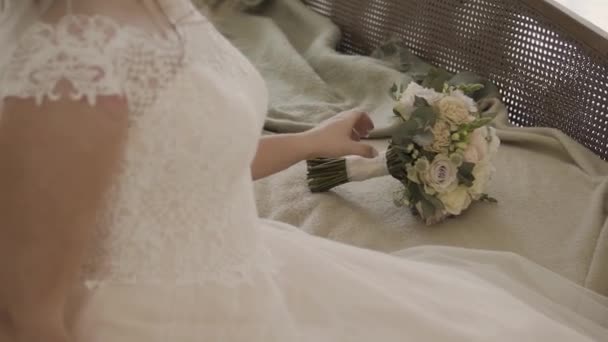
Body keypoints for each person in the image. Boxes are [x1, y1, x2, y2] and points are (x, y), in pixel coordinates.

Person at [0, 1, 606, 341]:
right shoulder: (70, 62)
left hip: (248, 273)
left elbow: (172, 171)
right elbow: (30, 312)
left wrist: (310, 143)